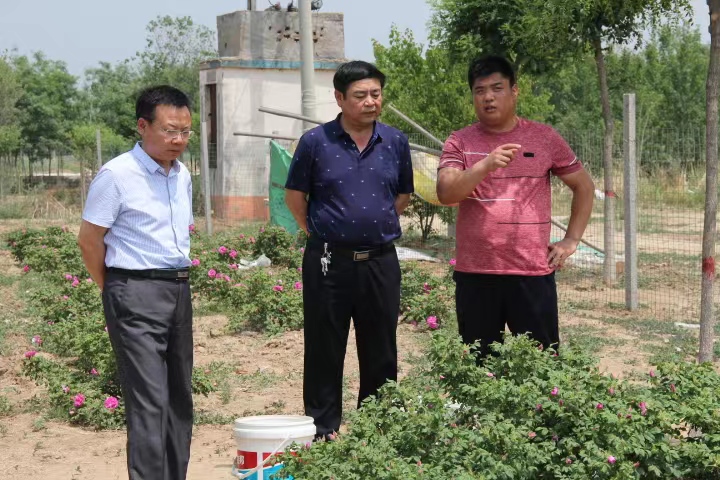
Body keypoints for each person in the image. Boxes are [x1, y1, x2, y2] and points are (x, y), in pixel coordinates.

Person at [285, 60, 414, 440]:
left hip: (380, 261)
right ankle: (323, 428)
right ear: (340, 98)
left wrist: (371, 223)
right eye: (360, 95)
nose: (370, 102)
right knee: (324, 345)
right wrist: (319, 230)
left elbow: (402, 195)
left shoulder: (395, 142)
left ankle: (377, 426)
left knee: (381, 346)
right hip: (327, 262)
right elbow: (295, 197)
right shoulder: (315, 142)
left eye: (376, 94)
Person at [436, 55, 594, 358]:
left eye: (497, 88)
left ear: (514, 91)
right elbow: (446, 192)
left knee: (540, 363)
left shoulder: (544, 137)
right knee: (478, 366)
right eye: (480, 91)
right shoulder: (460, 141)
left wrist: (572, 239)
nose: (488, 97)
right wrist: (485, 165)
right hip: (477, 273)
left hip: (531, 271)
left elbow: (584, 187)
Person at [77, 85, 195, 480]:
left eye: (185, 131)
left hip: (178, 289)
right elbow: (89, 240)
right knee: (149, 401)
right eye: (169, 130)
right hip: (134, 291)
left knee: (179, 398)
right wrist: (114, 288)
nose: (178, 140)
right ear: (143, 126)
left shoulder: (181, 176)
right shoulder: (117, 175)